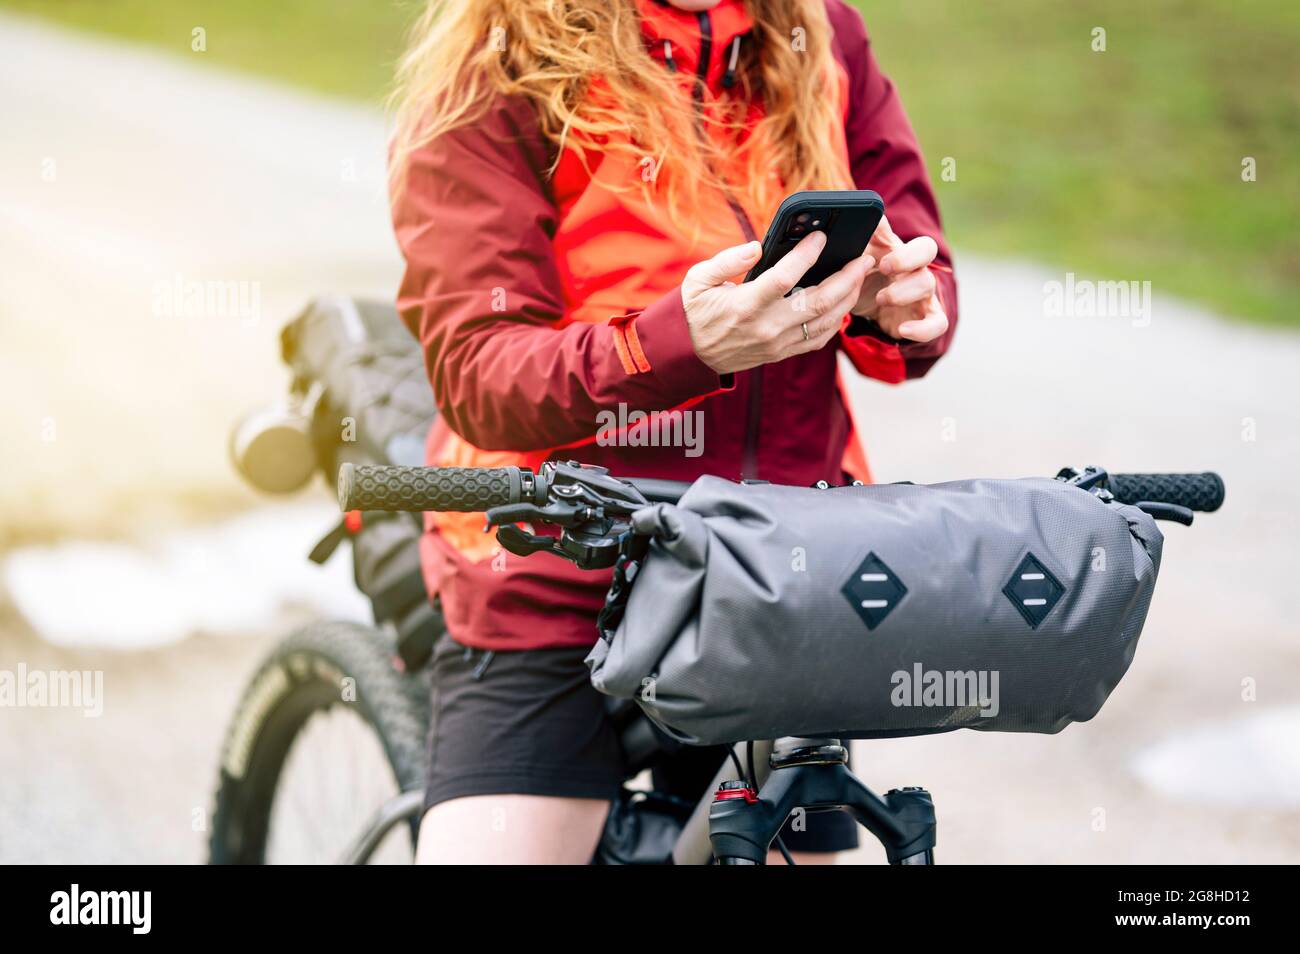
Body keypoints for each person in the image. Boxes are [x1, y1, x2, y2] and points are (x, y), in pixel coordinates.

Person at [389, 0, 957, 863]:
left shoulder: (822, 31)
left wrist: (902, 305)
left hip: (779, 570)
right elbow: (479, 370)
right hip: (555, 562)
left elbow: (925, 269)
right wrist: (676, 345)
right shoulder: (502, 49)